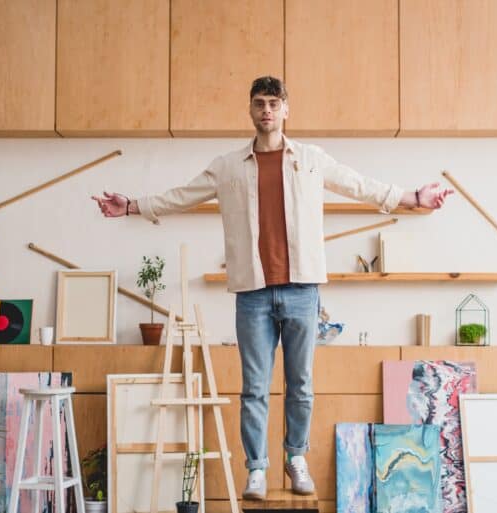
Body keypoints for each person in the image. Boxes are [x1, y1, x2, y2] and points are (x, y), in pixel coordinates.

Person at [92, 76, 454, 499]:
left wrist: (412, 195)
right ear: (250, 109)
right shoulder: (227, 166)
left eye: (274, 103)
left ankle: (296, 458)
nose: (267, 110)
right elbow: (183, 195)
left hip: (302, 288)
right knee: (255, 387)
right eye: (260, 102)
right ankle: (257, 469)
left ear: (286, 110)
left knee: (300, 384)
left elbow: (359, 184)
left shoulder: (312, 158)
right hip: (252, 290)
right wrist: (133, 205)